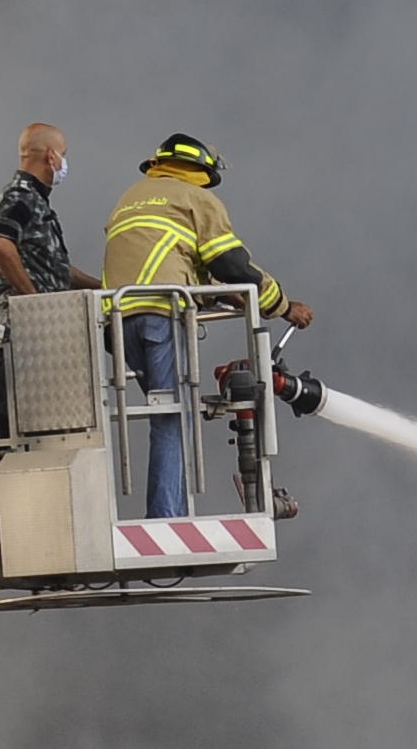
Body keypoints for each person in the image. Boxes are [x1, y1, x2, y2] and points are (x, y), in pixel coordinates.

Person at [101, 133, 312, 519]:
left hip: (118, 321)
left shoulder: (132, 197)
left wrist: (215, 290)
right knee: (172, 417)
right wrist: (282, 305)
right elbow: (230, 263)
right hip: (161, 316)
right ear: (200, 167)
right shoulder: (196, 198)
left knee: (166, 414)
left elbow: (168, 256)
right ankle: (167, 517)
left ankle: (169, 510)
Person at [0, 122, 91, 297]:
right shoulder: (21, 196)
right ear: (51, 156)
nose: (63, 162)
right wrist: (32, 299)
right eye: (62, 154)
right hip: (25, 319)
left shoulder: (32, 199)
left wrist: (102, 286)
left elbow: (56, 268)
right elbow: (0, 244)